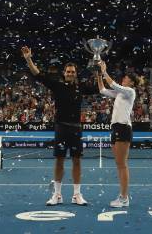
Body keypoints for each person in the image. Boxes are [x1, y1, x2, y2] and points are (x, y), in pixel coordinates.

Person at [21, 46, 98, 206]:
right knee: (59, 161)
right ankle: (57, 195)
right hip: (61, 127)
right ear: (64, 73)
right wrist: (29, 59)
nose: (70, 73)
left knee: (77, 161)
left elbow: (101, 88)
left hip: (76, 128)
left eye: (72, 71)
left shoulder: (81, 87)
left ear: (76, 73)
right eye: (68, 71)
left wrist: (100, 70)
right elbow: (38, 74)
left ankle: (77, 195)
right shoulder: (57, 86)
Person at [96, 61, 136, 208]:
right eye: (124, 78)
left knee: (122, 164)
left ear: (130, 82)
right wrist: (99, 74)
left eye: (126, 78)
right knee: (119, 164)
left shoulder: (130, 91)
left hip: (123, 128)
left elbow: (112, 84)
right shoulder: (120, 93)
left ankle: (124, 198)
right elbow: (102, 90)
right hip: (115, 129)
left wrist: (105, 70)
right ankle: (122, 196)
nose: (124, 79)